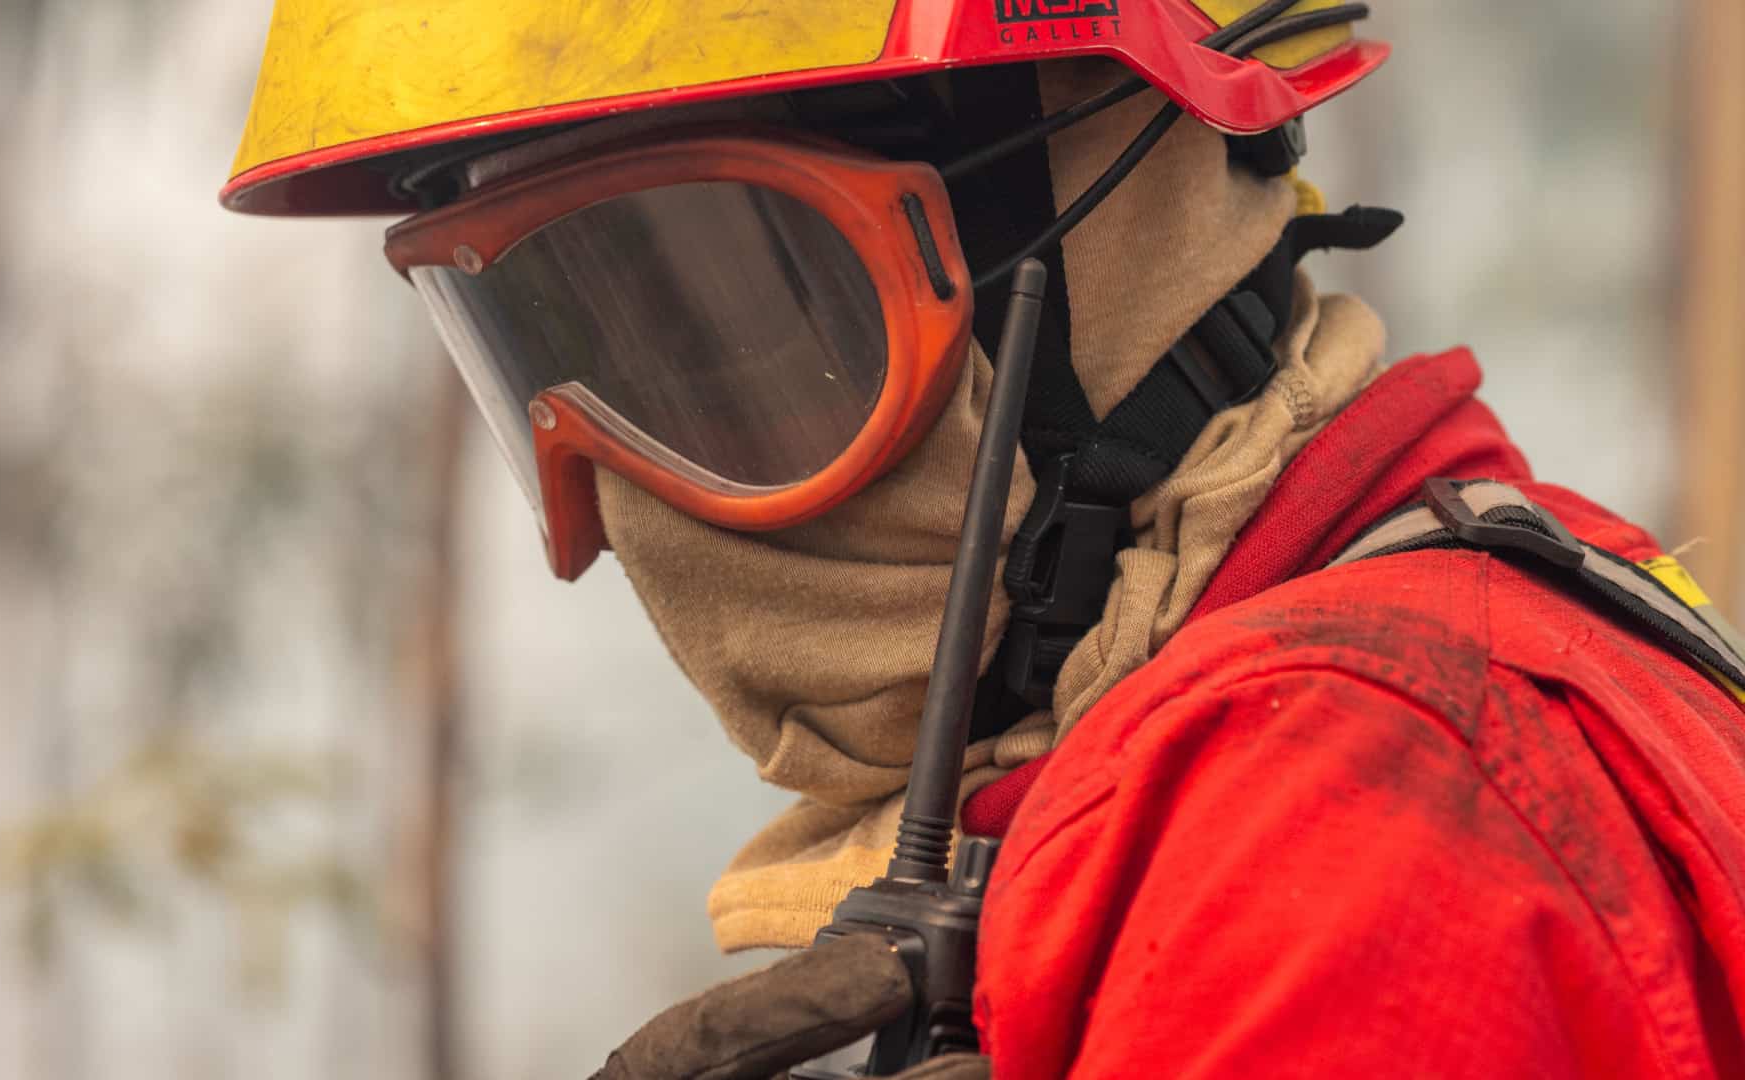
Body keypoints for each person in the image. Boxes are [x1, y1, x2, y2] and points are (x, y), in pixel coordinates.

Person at [223, 2, 1745, 1075]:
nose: (624, 508)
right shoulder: (1476, 617)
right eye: (550, 356)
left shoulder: (1351, 815)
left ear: (1114, 242)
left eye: (739, 326)